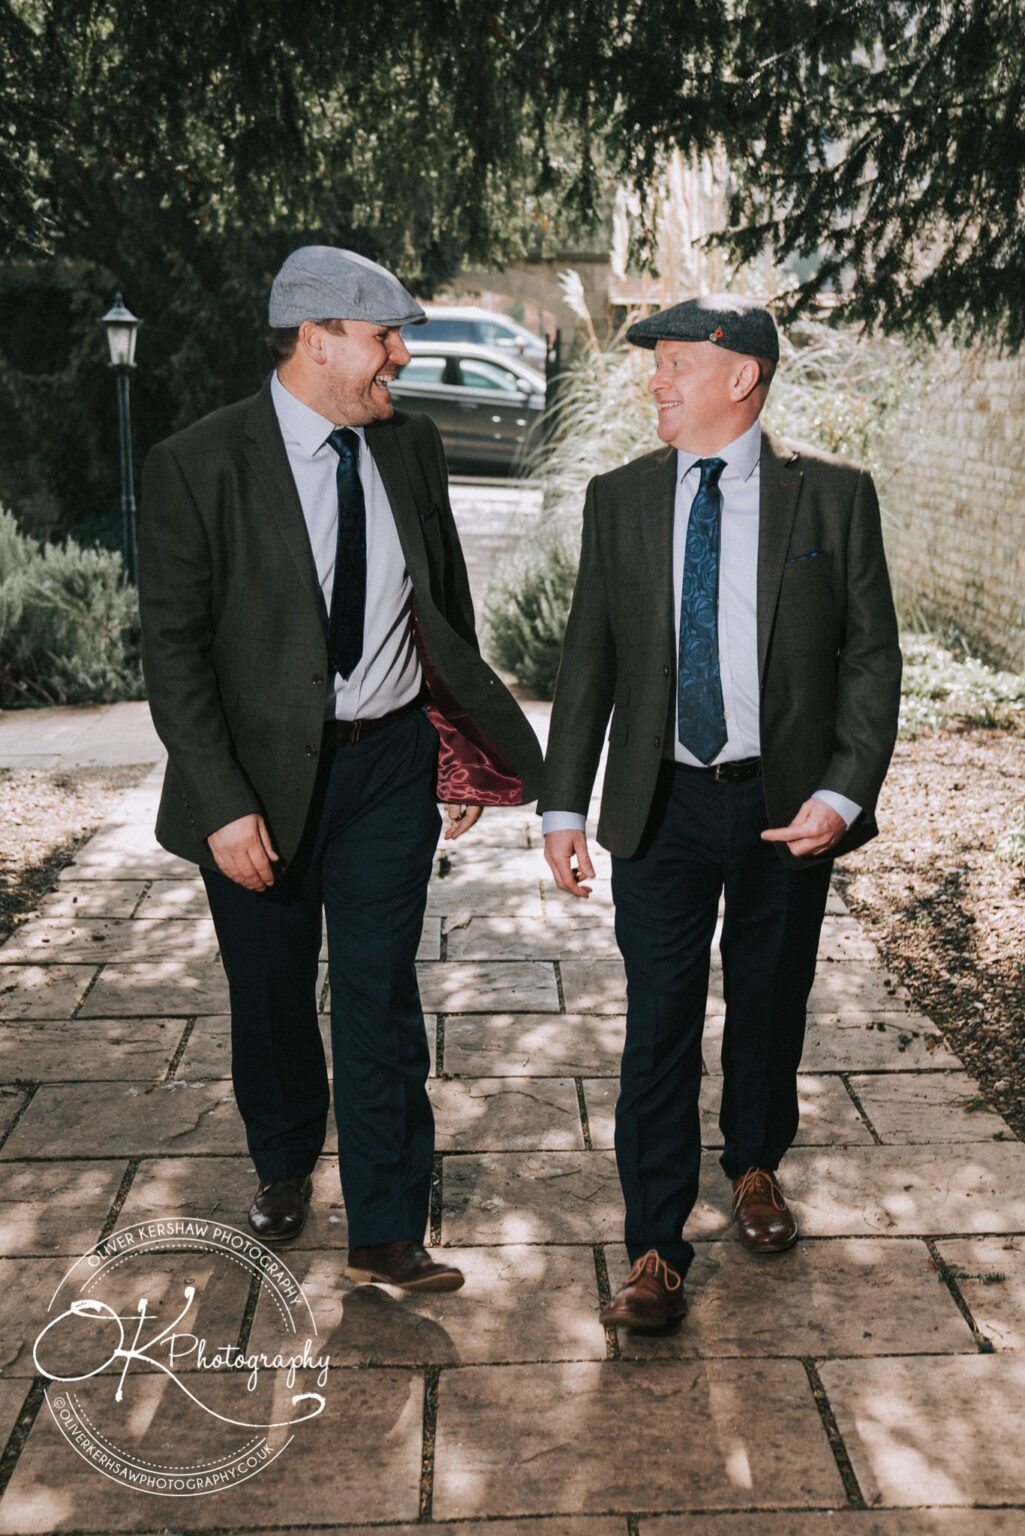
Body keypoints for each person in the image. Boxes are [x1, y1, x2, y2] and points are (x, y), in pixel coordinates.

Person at [139, 245, 542, 1293]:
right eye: (385, 337)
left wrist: (459, 753)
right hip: (257, 787)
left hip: (387, 770)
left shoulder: (410, 448)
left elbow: (440, 609)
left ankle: (386, 1228)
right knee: (270, 996)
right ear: (318, 343)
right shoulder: (198, 462)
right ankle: (280, 1160)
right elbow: (173, 658)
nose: (402, 357)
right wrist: (224, 806)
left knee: (377, 999)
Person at [540, 295, 901, 1331]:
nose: (653, 380)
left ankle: (751, 1163)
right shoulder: (618, 501)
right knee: (656, 1021)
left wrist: (842, 792)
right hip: (659, 804)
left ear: (739, 376)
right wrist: (563, 803)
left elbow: (868, 659)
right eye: (653, 364)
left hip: (785, 810)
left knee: (768, 996)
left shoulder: (829, 498)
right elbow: (587, 663)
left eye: (673, 364)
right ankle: (652, 1247)